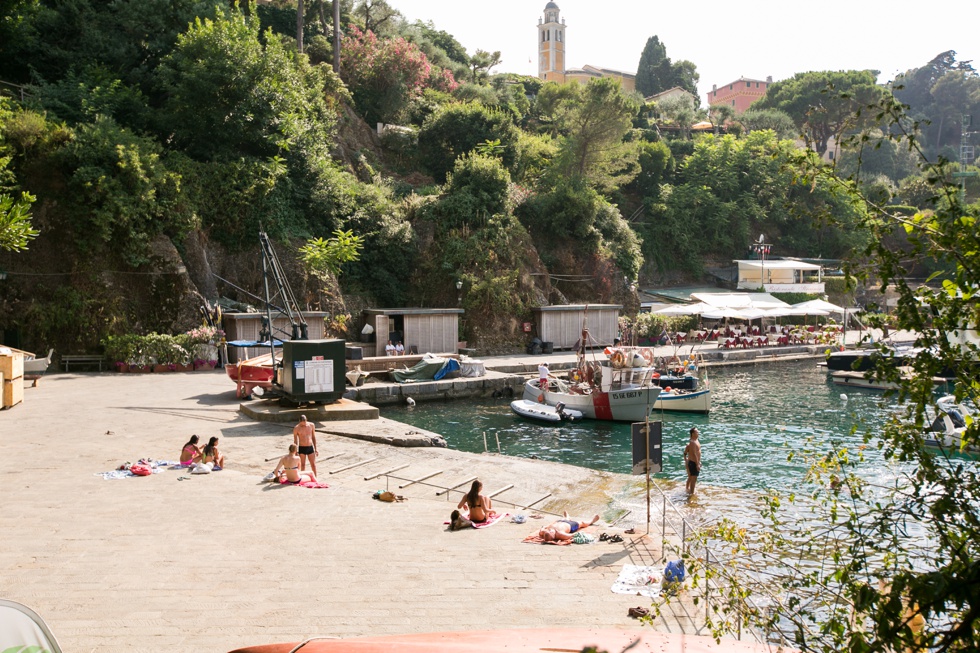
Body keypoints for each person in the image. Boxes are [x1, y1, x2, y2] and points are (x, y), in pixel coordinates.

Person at [684, 427, 702, 495]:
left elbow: (698, 452)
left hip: (696, 462)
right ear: (693, 434)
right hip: (693, 463)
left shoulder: (696, 440)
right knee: (693, 478)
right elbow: (694, 454)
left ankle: (689, 490)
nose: (698, 433)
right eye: (697, 432)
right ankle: (691, 493)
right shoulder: (692, 442)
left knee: (692, 477)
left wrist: (699, 462)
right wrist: (697, 464)